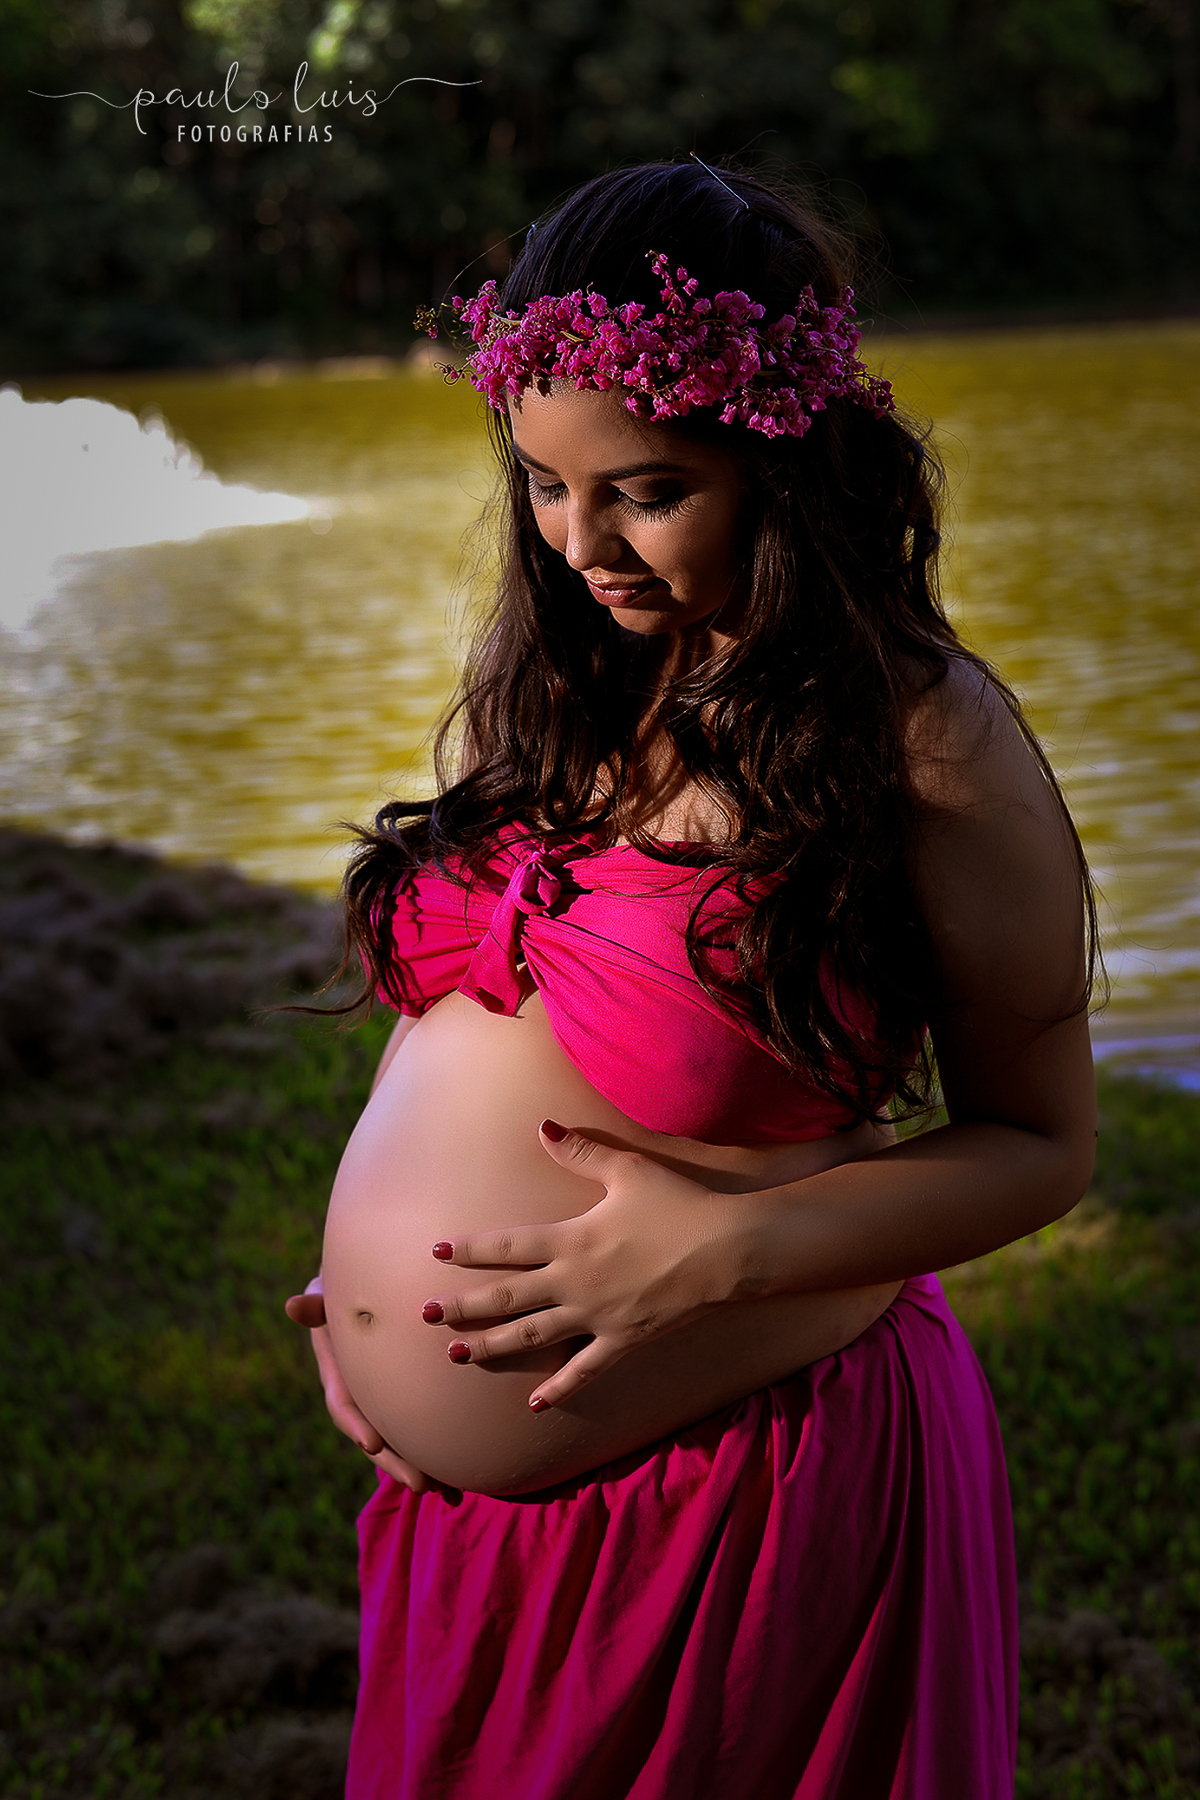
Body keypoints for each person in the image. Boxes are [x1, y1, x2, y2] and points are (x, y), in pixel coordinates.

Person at [286, 159, 1097, 1799]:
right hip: (476, 1540)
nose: (580, 542)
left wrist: (724, 1256)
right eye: (540, 483)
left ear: (785, 459)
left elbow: (1042, 1145)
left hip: (740, 1512)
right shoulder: (587, 683)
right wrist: (367, 1311)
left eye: (644, 490)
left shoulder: (925, 739)